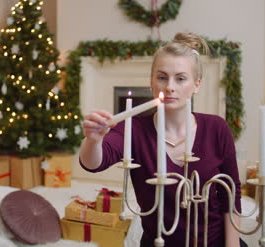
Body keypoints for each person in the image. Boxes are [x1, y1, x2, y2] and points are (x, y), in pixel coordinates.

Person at [79, 32, 243, 247]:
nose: (170, 87)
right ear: (151, 82)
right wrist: (93, 140)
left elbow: (231, 196)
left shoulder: (217, 128)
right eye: (162, 77)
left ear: (197, 84)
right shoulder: (132, 128)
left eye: (181, 78)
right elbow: (93, 163)